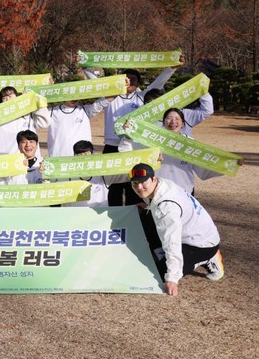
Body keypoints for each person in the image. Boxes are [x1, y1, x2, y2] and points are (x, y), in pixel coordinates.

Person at [85, 63, 179, 206]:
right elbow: (97, 83)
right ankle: (114, 215)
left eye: (133, 79)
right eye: (126, 79)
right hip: (112, 147)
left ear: (138, 83)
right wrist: (85, 68)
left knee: (135, 183)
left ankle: (134, 214)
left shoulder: (142, 97)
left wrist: (171, 68)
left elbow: (158, 84)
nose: (129, 82)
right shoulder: (110, 97)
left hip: (133, 147)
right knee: (113, 186)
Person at [129, 163, 224, 296]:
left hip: (202, 244)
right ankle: (160, 253)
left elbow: (171, 243)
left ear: (154, 179)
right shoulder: (162, 185)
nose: (139, 187)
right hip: (193, 232)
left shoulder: (167, 208)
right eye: (135, 184)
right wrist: (148, 206)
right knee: (144, 214)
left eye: (143, 182)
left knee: (158, 273)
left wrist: (172, 278)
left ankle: (208, 258)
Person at [0, 86, 51, 158]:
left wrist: (36, 100)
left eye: (10, 96)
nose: (8, 99)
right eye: (4, 98)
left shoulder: (27, 115)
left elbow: (44, 123)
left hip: (28, 159)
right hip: (6, 160)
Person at [59, 140, 129, 208]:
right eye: (79, 156)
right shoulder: (66, 176)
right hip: (73, 215)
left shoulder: (103, 174)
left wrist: (127, 140)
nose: (83, 160)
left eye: (86, 156)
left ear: (93, 155)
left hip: (97, 214)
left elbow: (127, 175)